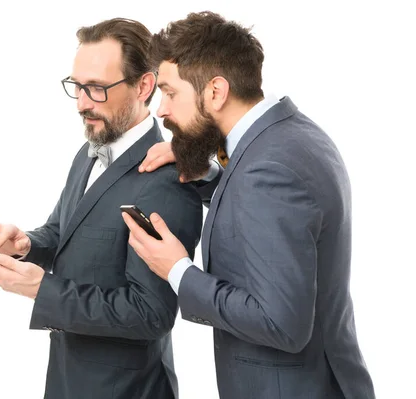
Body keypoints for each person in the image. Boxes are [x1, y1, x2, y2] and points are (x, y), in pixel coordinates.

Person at [122, 11, 375, 399]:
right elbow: (270, 215)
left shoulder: (268, 169)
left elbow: (281, 324)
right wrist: (209, 178)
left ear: (216, 92)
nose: (161, 110)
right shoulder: (291, 135)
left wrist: (177, 270)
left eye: (170, 93)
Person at [0, 18, 203, 399]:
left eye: (96, 89)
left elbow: (151, 314)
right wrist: (25, 243)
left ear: (144, 86)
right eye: (77, 87)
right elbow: (65, 231)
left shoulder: (165, 179)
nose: (81, 104)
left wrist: (41, 290)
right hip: (66, 381)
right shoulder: (90, 149)